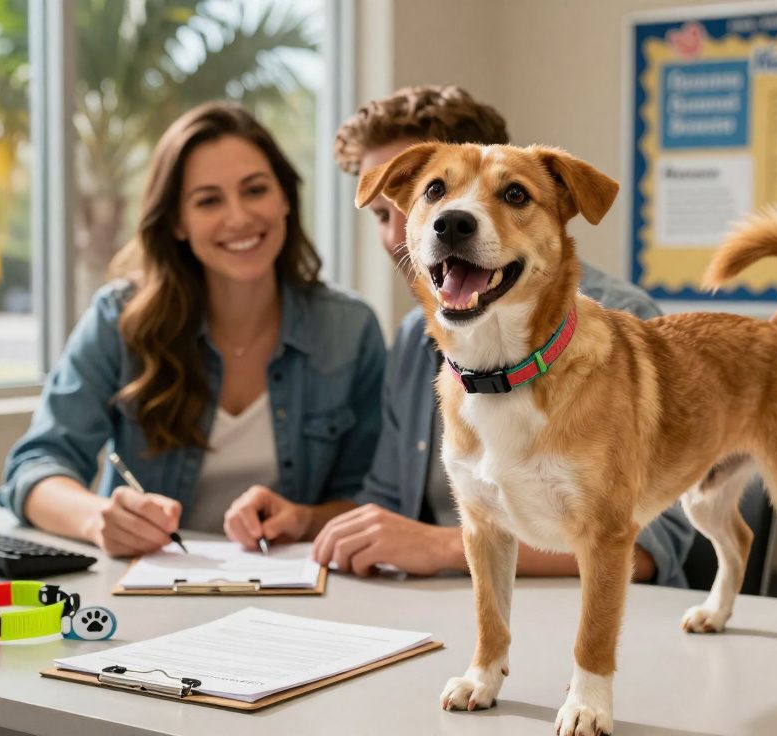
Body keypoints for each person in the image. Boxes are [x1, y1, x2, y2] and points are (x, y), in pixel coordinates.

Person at [224, 86, 696, 586]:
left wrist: (445, 546)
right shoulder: (417, 337)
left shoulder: (618, 322)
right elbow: (387, 508)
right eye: (392, 209)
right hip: (443, 617)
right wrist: (305, 519)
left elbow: (652, 547)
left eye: (488, 193)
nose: (401, 232)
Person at [0, 102, 385, 557]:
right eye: (208, 200)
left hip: (302, 594)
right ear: (177, 222)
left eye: (255, 190)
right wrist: (97, 519)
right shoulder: (119, 318)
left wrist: (303, 518)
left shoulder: (350, 329)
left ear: (284, 198)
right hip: (150, 587)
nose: (238, 217)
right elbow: (34, 468)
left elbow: (372, 496)